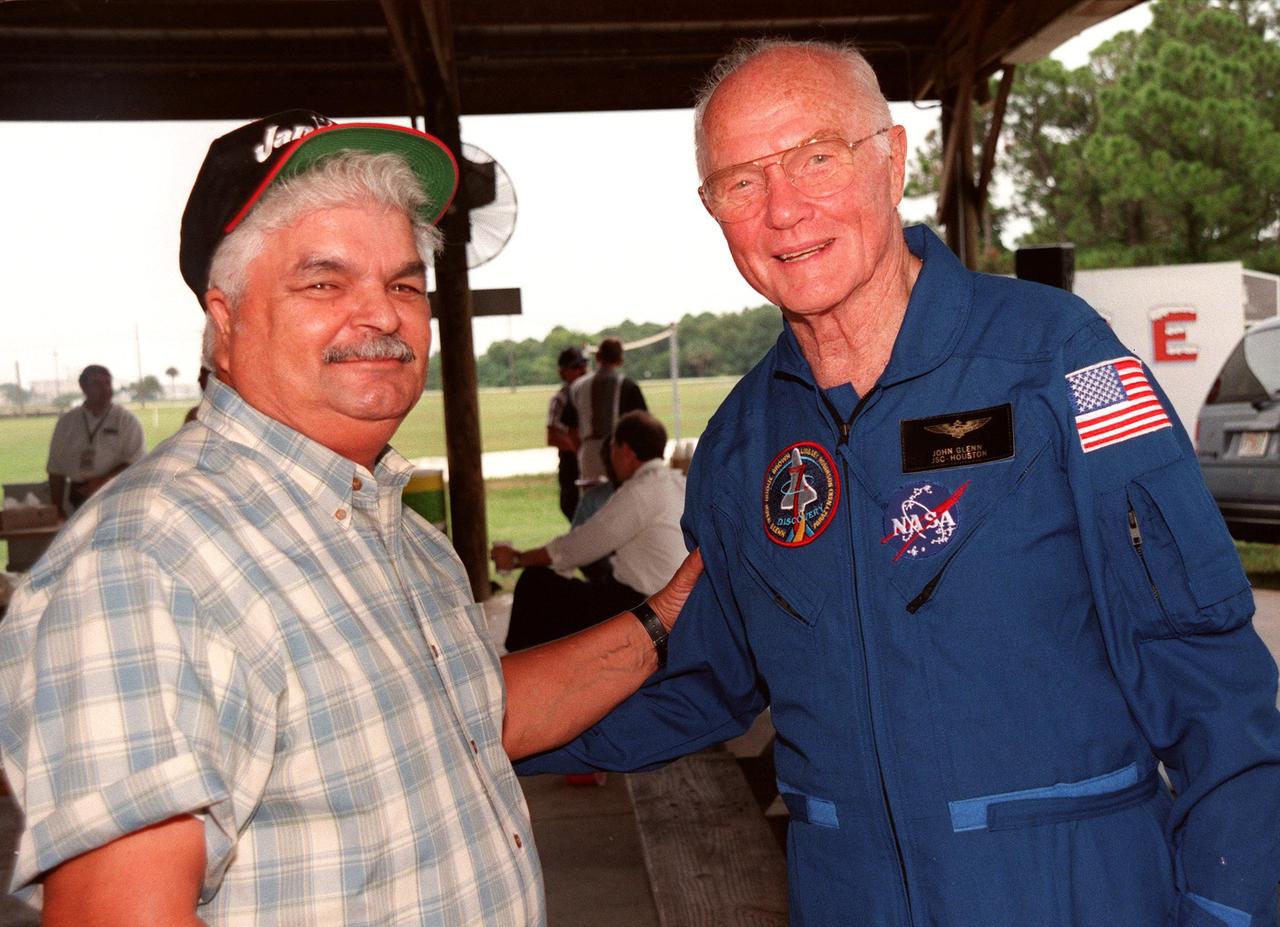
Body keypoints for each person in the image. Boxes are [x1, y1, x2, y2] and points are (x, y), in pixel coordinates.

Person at [518, 40, 1280, 926]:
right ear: (712, 210)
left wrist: (1225, 909)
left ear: (893, 159)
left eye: (816, 157)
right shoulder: (739, 445)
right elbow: (705, 683)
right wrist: (468, 736)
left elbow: (1212, 679)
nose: (784, 211)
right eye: (741, 182)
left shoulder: (1062, 361)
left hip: (1074, 890)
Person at [0, 110, 701, 926]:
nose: (381, 315)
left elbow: (474, 716)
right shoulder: (142, 568)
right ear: (223, 324)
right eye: (324, 281)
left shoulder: (403, 535)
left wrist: (666, 615)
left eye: (403, 283)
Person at [494, 411, 686, 651]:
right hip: (675, 603)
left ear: (625, 451)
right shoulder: (678, 483)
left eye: (613, 449)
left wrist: (517, 558)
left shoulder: (640, 491)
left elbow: (577, 548)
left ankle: (524, 669)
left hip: (646, 609)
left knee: (535, 583)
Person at [45, 364, 145, 519]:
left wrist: (103, 482)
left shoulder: (126, 420)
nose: (106, 389)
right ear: (83, 387)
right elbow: (55, 469)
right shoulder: (67, 422)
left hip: (115, 496)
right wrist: (57, 507)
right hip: (78, 497)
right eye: (97, 384)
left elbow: (136, 461)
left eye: (108, 383)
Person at [566, 336, 646, 493]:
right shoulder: (628, 386)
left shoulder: (577, 387)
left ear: (597, 356)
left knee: (591, 505)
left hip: (588, 451)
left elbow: (571, 429)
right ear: (620, 360)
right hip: (620, 452)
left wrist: (583, 450)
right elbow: (641, 427)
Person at [546, 345, 587, 521]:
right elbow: (553, 436)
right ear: (564, 372)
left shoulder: (588, 394)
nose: (583, 370)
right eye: (577, 367)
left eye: (584, 365)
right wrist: (581, 451)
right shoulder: (561, 399)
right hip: (572, 466)